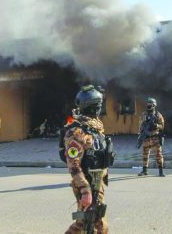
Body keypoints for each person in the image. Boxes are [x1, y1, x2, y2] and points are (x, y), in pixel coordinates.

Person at [62, 85, 114, 234]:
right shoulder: (76, 132)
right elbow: (74, 165)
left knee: (88, 221)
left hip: (98, 184)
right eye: (99, 106)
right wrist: (85, 191)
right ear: (95, 108)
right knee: (91, 223)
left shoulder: (96, 128)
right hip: (85, 184)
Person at [137, 97, 166, 177]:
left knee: (158, 154)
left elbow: (162, 126)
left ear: (154, 105)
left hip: (155, 137)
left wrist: (156, 125)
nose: (149, 106)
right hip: (146, 137)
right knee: (145, 154)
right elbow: (140, 124)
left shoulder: (158, 115)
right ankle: (144, 170)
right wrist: (141, 132)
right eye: (148, 104)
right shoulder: (144, 114)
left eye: (150, 104)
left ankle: (161, 171)